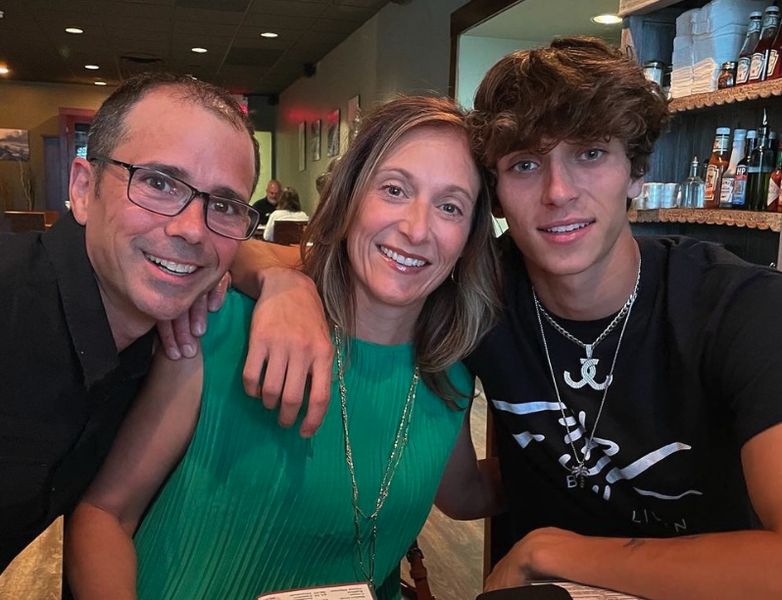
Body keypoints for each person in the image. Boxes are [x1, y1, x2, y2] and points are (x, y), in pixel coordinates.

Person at [66, 95, 500, 600]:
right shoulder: (221, 326)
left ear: (469, 237)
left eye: (450, 206)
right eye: (395, 190)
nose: (417, 228)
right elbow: (104, 514)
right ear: (350, 199)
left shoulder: (447, 377)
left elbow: (466, 494)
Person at [443, 37, 782, 599]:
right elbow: (463, 498)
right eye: (525, 163)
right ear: (496, 193)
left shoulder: (740, 307)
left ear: (636, 170)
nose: (558, 192)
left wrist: (549, 551)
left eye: (590, 153)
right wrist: (280, 285)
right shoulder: (478, 292)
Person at [0, 72, 332, 573]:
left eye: (221, 204)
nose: (190, 230)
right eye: (158, 182)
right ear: (83, 188)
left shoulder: (164, 332)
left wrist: (286, 283)